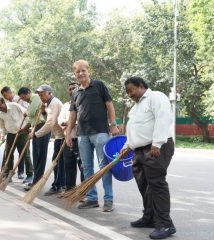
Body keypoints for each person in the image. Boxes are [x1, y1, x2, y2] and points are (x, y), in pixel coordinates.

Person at [120, 76, 176, 239]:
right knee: (144, 184)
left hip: (155, 147)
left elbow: (163, 118)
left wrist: (157, 143)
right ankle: (150, 216)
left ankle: (165, 224)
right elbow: (134, 129)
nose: (130, 94)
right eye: (128, 92)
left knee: (157, 184)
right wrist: (127, 146)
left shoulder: (156, 97)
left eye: (132, 90)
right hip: (138, 150)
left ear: (141, 86)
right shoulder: (136, 107)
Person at [65, 60, 120, 212]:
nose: (81, 73)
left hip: (101, 133)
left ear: (88, 71)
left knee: (104, 167)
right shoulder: (75, 92)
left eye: (83, 70)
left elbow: (109, 105)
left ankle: (108, 200)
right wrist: (68, 133)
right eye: (78, 71)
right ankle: (92, 198)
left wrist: (113, 125)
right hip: (82, 135)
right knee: (87, 167)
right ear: (75, 74)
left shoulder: (99, 85)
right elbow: (72, 114)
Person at [28, 84, 65, 195]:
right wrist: (43, 111)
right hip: (59, 136)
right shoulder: (48, 104)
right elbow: (47, 119)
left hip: (63, 135)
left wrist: (35, 134)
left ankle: (58, 186)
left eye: (43, 94)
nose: (41, 97)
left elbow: (50, 123)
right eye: (39, 95)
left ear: (50, 93)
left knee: (57, 161)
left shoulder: (54, 103)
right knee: (59, 161)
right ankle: (61, 185)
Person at [0, 97, 33, 181]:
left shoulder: (14, 106)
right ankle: (7, 174)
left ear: (4, 103)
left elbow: (26, 114)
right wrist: (3, 136)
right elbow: (2, 127)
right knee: (8, 154)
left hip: (22, 133)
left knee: (25, 154)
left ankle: (30, 175)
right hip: (10, 135)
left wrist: (26, 128)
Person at [18, 87, 48, 190]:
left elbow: (30, 113)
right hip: (35, 127)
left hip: (41, 127)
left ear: (29, 93)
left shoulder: (35, 98)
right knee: (36, 155)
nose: (24, 100)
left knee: (40, 155)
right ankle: (36, 179)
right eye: (22, 99)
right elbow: (31, 119)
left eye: (24, 97)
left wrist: (26, 112)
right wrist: (24, 129)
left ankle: (37, 181)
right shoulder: (30, 103)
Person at [58, 82, 85, 192]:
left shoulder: (83, 103)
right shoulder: (65, 106)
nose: (72, 90)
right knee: (69, 166)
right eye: (70, 89)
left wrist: (70, 122)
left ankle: (84, 192)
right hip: (68, 140)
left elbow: (82, 121)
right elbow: (60, 120)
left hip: (81, 139)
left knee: (83, 167)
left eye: (74, 88)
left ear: (79, 89)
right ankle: (70, 190)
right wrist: (69, 123)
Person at [1, 86, 29, 178]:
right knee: (9, 152)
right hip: (11, 131)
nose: (5, 97)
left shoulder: (20, 99)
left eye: (5, 95)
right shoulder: (8, 103)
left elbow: (27, 112)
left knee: (22, 152)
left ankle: (21, 172)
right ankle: (7, 172)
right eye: (3, 96)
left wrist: (25, 128)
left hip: (22, 130)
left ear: (9, 92)